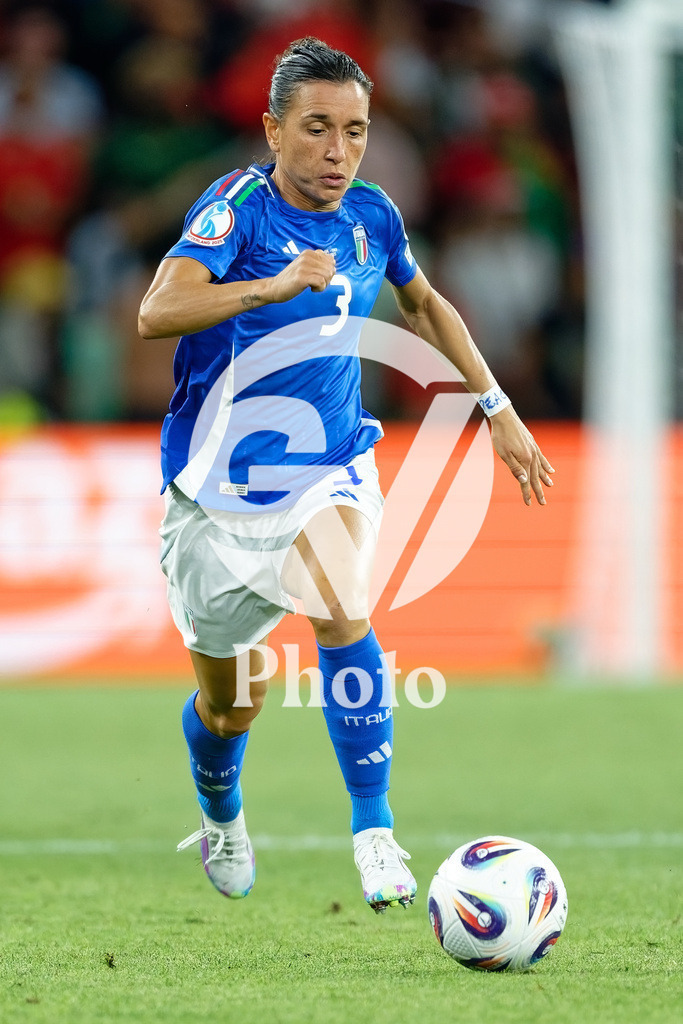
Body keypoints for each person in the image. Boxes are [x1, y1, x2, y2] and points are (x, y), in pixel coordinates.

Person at [138, 37, 554, 914]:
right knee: (230, 707)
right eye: (317, 129)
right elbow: (157, 310)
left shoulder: (372, 214)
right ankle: (220, 807)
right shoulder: (237, 209)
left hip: (328, 463)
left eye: (355, 131)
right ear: (272, 129)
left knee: (338, 600)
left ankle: (374, 834)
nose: (338, 152)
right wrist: (270, 286)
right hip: (214, 498)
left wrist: (496, 408)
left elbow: (423, 302)